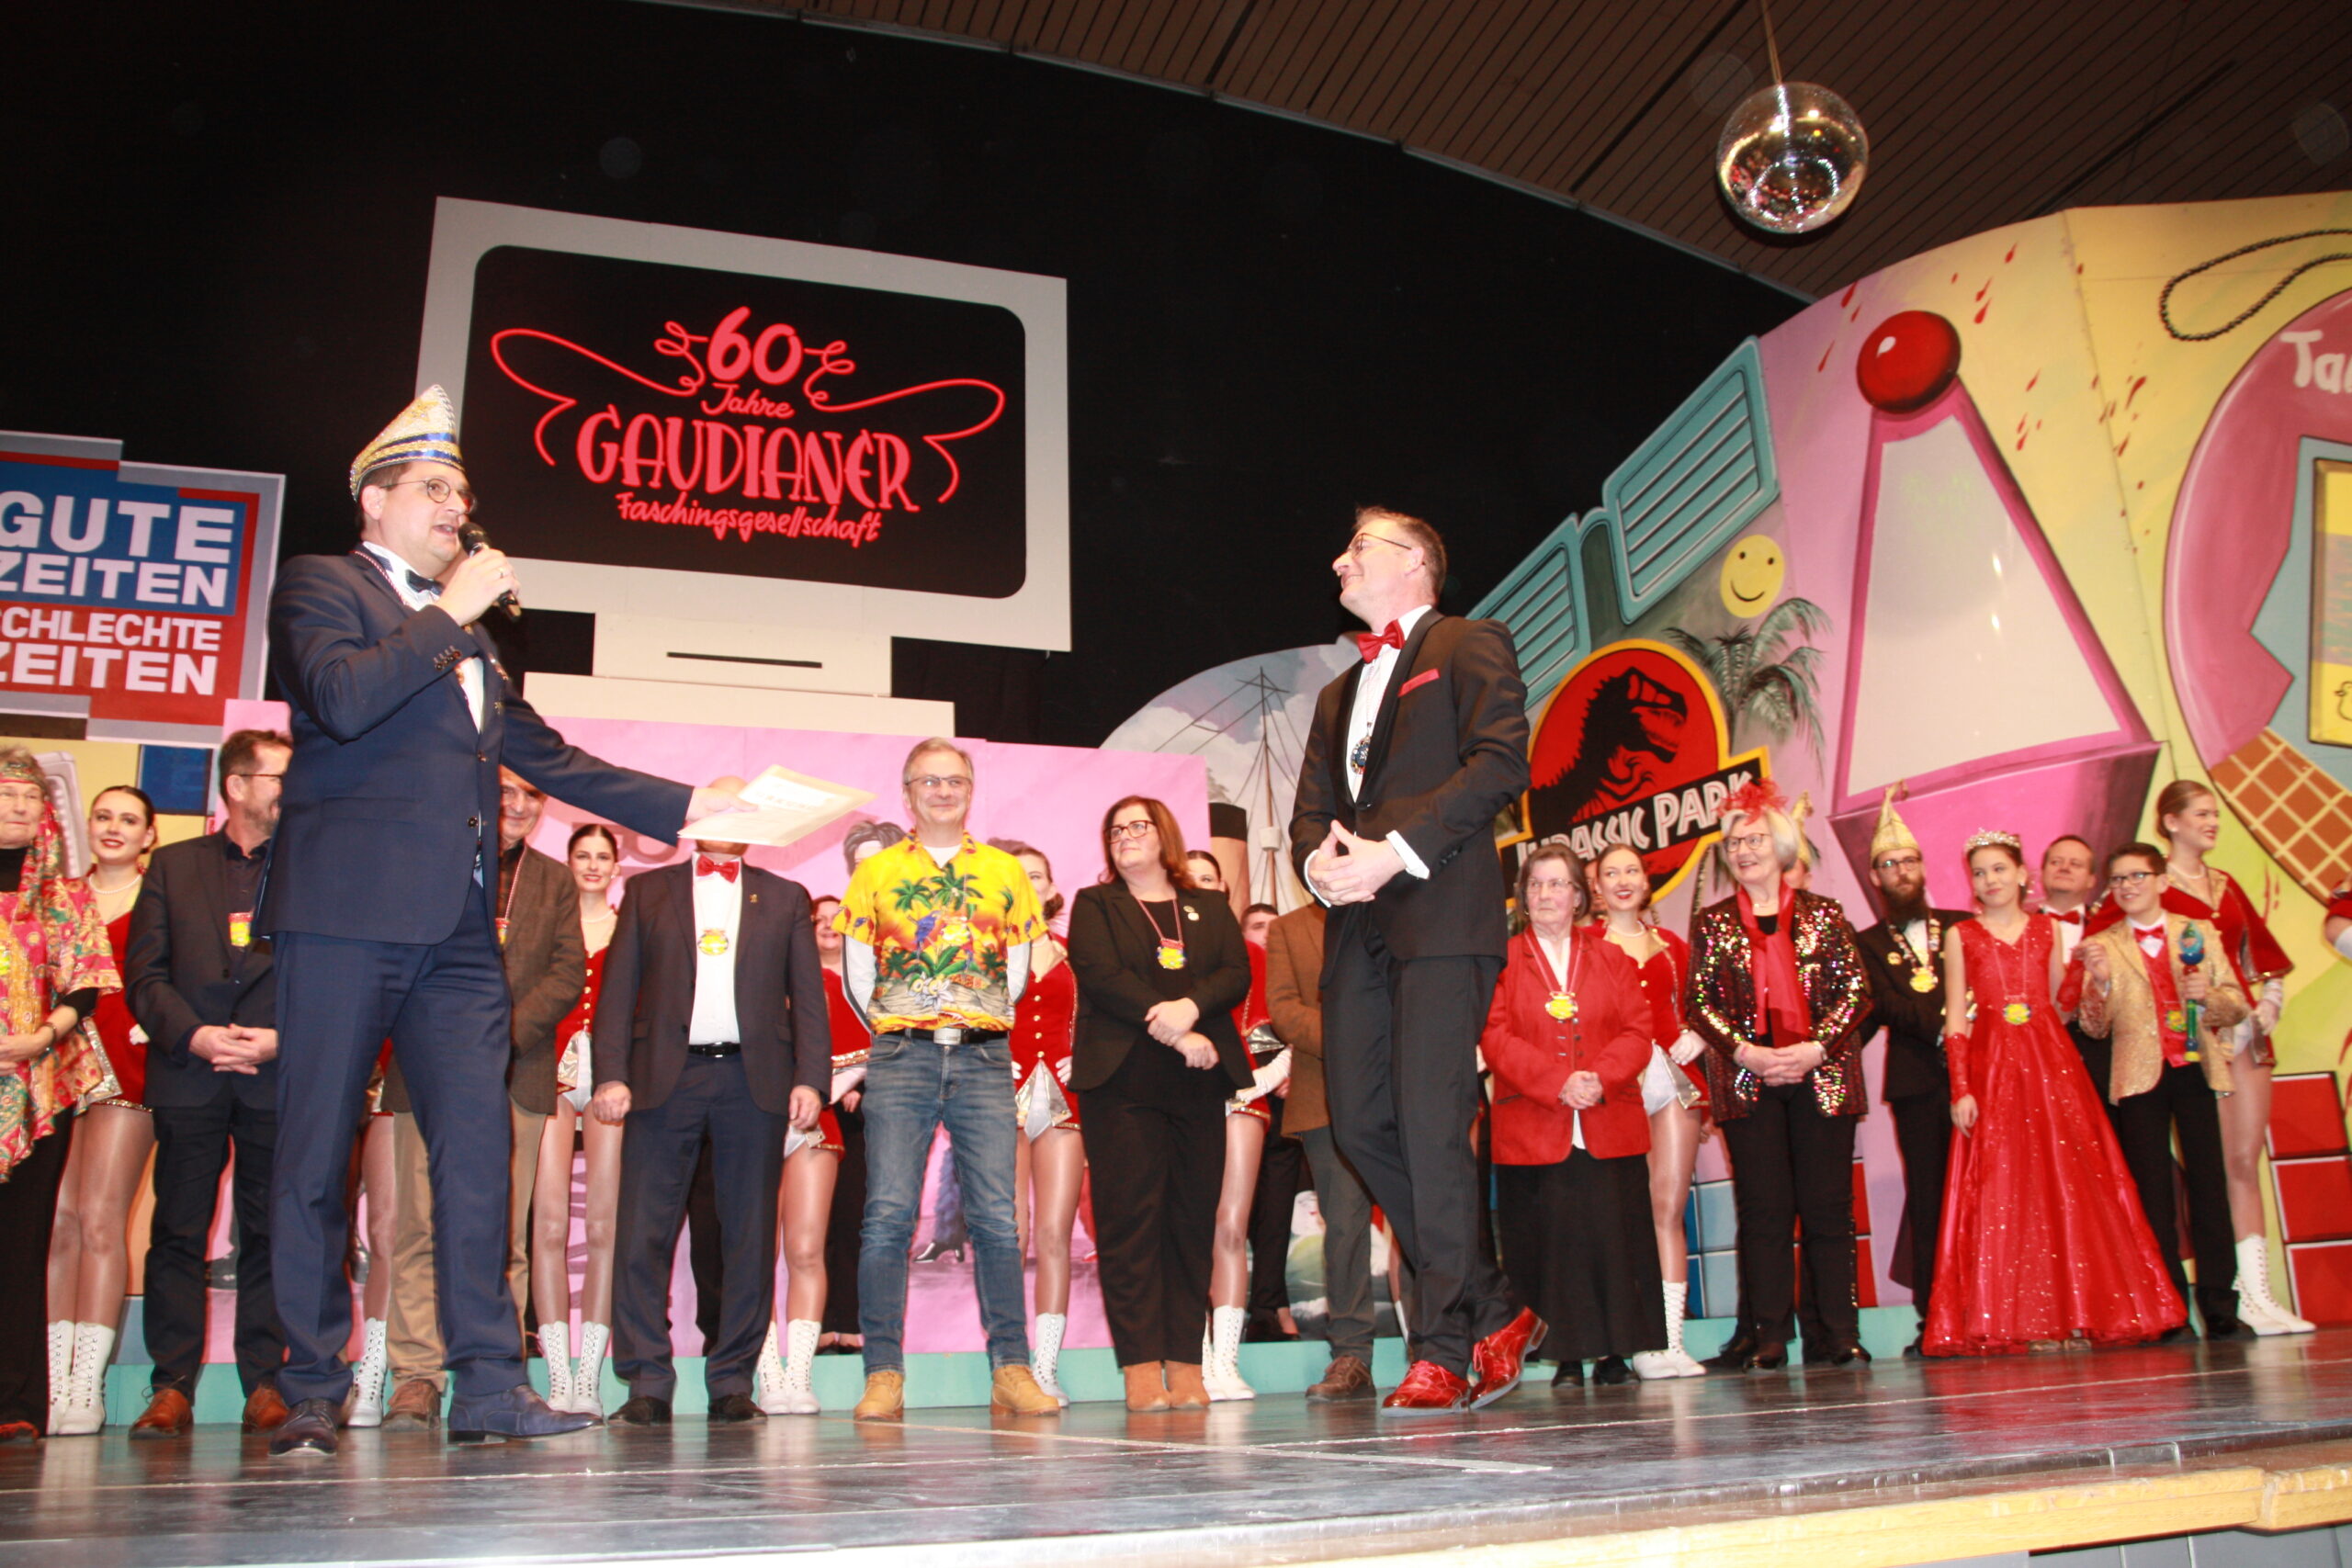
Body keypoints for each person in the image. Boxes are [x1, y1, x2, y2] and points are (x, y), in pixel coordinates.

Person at [262, 387, 737, 1456]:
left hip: (458, 936)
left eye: (463, 495)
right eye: (435, 489)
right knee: (313, 1154)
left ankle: (486, 1384)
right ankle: (309, 1385)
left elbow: (546, 755)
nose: (457, 509)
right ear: (374, 499)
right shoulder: (323, 586)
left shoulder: (467, 637)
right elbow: (339, 699)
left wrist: (689, 805)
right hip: (341, 919)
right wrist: (451, 612)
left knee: (479, 1158)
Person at [1289, 507, 1541, 1413]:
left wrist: (1395, 851)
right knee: (1360, 1126)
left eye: (1358, 547)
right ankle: (1495, 1306)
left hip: (1440, 915)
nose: (1339, 560)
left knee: (1432, 1128)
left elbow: (1500, 763)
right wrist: (1318, 868)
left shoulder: (1469, 641)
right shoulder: (1334, 695)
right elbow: (1311, 814)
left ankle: (1442, 1346)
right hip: (1355, 928)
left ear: (1415, 564)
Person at [835, 739, 1058, 1420]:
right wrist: (900, 1024)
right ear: (907, 793)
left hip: (984, 1058)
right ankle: (883, 1375)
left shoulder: (1003, 870)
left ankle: (1012, 1369)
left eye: (954, 780)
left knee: (995, 1219)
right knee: (886, 1218)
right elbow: (857, 974)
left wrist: (975, 1018)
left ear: (970, 789)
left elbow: (1016, 970)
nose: (942, 791)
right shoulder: (876, 872)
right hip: (901, 1057)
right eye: (928, 781)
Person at [594, 793, 828, 1426]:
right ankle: (646, 1381)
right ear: (695, 820)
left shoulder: (785, 896)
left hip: (755, 1081)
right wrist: (611, 1072)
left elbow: (808, 997)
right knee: (643, 1230)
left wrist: (811, 1079)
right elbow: (617, 989)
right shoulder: (647, 891)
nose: (730, 822)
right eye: (718, 809)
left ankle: (731, 1381)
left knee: (748, 1234)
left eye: (742, 812)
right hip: (662, 1078)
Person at [379, 769, 585, 1427]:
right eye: (505, 792)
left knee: (503, 1237)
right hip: (427, 1065)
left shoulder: (553, 879)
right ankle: (416, 1375)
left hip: (516, 1071)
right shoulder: (427, 860)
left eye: (532, 795)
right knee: (419, 1225)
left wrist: (499, 1035)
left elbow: (568, 973)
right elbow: (395, 959)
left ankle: (494, 1381)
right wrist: (457, 1039)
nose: (518, 805)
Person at [1925, 832, 2185, 1353]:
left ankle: (2079, 1311)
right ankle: (2020, 1318)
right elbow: (1955, 1017)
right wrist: (1961, 1087)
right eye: (1980, 872)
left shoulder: (2046, 929)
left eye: (2000, 869)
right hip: (1993, 1068)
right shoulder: (1961, 936)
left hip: (2051, 1067)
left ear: (2023, 875)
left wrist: (2090, 975)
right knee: (2005, 1189)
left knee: (2068, 1185)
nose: (1990, 880)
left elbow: (2061, 1007)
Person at [119, 735, 291, 1439]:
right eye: (279, 776)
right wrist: (194, 1034)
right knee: (178, 1231)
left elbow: (327, 976)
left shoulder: (308, 866)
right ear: (238, 785)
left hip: (274, 1073)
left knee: (271, 1233)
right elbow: (144, 974)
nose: (291, 789)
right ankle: (171, 1386)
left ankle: (266, 1383)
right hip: (189, 1071)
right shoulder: (173, 864)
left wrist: (282, 1037)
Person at [1067, 796, 1252, 1412]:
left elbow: (1234, 973)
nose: (1125, 836)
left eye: (1137, 826)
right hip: (1122, 1083)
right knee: (1130, 1224)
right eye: (1115, 830)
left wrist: (1191, 1009)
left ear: (1164, 835)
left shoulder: (1208, 905)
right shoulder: (1096, 904)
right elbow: (1101, 975)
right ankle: (1142, 1366)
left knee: (1191, 1223)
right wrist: (1175, 1029)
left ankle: (1186, 1363)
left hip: (1198, 1081)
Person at [1686, 782, 1872, 1371]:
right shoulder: (1713, 923)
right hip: (1750, 1081)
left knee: (1827, 1210)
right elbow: (1699, 1004)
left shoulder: (1824, 914)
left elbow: (1856, 993)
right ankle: (1769, 1336)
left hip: (1822, 1075)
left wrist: (1817, 1048)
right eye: (1735, 843)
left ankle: (1838, 1334)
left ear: (1783, 846)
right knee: (1764, 1213)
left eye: (1755, 840)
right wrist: (1746, 1053)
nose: (1744, 851)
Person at [1487, 845, 1661, 1384]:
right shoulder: (1500, 961)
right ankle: (1564, 1356)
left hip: (1608, 1121)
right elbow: (1495, 1036)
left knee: (1613, 1238)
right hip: (1534, 1124)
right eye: (1535, 885)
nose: (1546, 894)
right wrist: (1556, 1082)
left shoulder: (1613, 958)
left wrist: (1599, 1078)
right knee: (1552, 1244)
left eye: (1558, 884)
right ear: (1523, 897)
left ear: (1579, 897)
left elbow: (1638, 1031)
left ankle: (1615, 1354)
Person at [2143, 782, 2309, 1335]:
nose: (2213, 822)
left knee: (2244, 1161)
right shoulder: (2154, 886)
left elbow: (2263, 954)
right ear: (2171, 822)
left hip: (2245, 1033)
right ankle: (2228, 1295)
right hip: (2195, 1039)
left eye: (2215, 813)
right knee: (2211, 1169)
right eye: (2201, 813)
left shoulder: (2225, 884)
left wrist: (2269, 1002)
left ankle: (2259, 1295)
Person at [2072, 841, 2249, 1339]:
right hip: (2137, 1077)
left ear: (2162, 881)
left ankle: (2219, 1303)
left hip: (2194, 1069)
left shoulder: (2199, 933)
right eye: (2118, 879)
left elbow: (2237, 1003)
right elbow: (2093, 1026)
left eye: (2138, 876)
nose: (2127, 886)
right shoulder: (2102, 944)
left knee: (2209, 1187)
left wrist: (2208, 998)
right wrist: (2101, 983)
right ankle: (2169, 1306)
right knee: (2152, 1194)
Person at [0, 750, 119, 1445]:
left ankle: (16, 1400)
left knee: (23, 1244)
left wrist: (43, 1034)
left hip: (39, 1087)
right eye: (5, 794)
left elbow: (86, 983)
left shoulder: (64, 896)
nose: (18, 807)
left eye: (28, 797)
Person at [44, 784, 159, 1435]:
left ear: (149, 836)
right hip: (53, 1069)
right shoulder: (56, 897)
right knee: (58, 1221)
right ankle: (52, 1379)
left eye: (129, 819)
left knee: (99, 1219)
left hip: (127, 1065)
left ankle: (86, 1386)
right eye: (104, 816)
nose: (114, 827)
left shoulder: (160, 897)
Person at [1849, 791, 1971, 1358]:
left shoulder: (1963, 927)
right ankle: (1936, 1317)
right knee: (1929, 1200)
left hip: (1984, 1081)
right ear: (1875, 877)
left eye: (1909, 861)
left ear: (1923, 868)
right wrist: (1949, 1025)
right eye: (1889, 864)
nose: (1901, 871)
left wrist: (1962, 1029)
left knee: (1993, 1193)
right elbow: (1883, 1005)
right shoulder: (1867, 943)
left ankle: (2002, 1307)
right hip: (1919, 1086)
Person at [748, 893, 871, 1413]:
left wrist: (834, 1086)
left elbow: (867, 1046)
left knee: (805, 1250)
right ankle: (767, 1374)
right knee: (754, 1254)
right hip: (753, 1122)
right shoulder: (752, 979)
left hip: (815, 1123)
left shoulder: (837, 985)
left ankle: (798, 1375)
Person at [1589, 843, 1708, 1379]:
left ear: (1645, 881)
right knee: (1617, 1215)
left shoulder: (1673, 946)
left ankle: (1671, 1341)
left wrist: (1697, 1034)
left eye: (1631, 870)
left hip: (1673, 1081)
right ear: (1596, 887)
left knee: (1667, 1209)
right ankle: (1625, 1342)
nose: (1622, 880)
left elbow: (1706, 1006)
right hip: (1615, 1086)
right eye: (1610, 872)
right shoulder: (1584, 947)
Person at [1266, 901, 1381, 1401]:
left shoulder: (1396, 912)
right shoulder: (1288, 929)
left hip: (1399, 1090)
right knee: (1345, 1229)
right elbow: (1284, 1009)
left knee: (1420, 1225)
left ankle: (1435, 1350)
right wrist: (1353, 1037)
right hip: (1324, 1096)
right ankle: (1352, 1354)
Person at [1189, 849, 1292, 1399]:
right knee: (1189, 1230)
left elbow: (1291, 1025)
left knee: (1230, 1227)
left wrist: (1263, 1078)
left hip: (1242, 1099)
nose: (1200, 886)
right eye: (1191, 878)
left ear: (1224, 889)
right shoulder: (1164, 955)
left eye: (1209, 878)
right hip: (1180, 1102)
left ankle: (1225, 1362)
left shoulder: (1257, 954)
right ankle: (1195, 1358)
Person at [531, 823, 626, 1415]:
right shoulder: (549, 922)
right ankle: (557, 1374)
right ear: (567, 862)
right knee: (547, 1225)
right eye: (582, 855)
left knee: (603, 1228)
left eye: (602, 856)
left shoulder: (630, 926)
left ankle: (589, 1374)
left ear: (617, 866)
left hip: (610, 1078)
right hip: (550, 1074)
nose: (592, 865)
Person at [991, 839, 1085, 1407]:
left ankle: (1045, 1367)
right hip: (998, 1097)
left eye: (1038, 875)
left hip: (1064, 1100)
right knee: (1010, 1235)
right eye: (1017, 876)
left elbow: (1102, 1017)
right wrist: (985, 1057)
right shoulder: (984, 950)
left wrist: (1087, 1056)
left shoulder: (1078, 953)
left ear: (1051, 889)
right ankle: (1011, 1366)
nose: (1029, 884)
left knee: (1054, 1234)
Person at [811, 886, 871, 1355]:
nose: (829, 925)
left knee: (853, 1219)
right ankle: (815, 1322)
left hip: (859, 1117)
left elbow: (889, 1042)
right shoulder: (795, 980)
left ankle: (848, 1320)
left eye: (838, 918)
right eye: (820, 919)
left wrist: (858, 1086)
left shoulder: (866, 980)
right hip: (807, 1112)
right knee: (811, 1225)